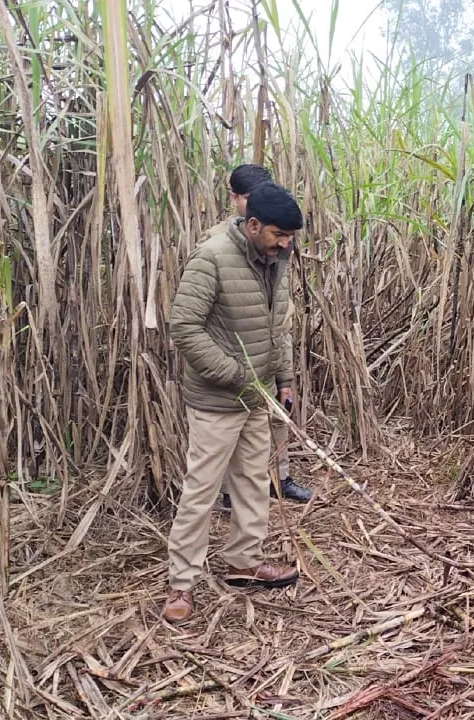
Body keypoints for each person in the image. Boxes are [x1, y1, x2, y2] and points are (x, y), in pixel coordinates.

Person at [162, 182, 304, 623]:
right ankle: (180, 585)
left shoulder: (276, 259)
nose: (286, 244)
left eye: (290, 237)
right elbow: (184, 328)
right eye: (279, 235)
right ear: (253, 224)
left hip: (257, 396)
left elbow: (276, 327)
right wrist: (237, 376)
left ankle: (244, 562)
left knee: (250, 482)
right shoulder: (211, 257)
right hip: (217, 400)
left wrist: (284, 379)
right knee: (201, 491)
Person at [212, 164, 313, 507]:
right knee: (231, 431)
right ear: (235, 200)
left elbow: (279, 297)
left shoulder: (275, 239)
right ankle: (229, 493)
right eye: (251, 200)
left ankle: (278, 478)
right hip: (235, 359)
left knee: (278, 414)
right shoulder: (216, 245)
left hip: (270, 345)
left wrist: (284, 370)